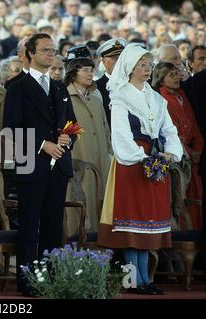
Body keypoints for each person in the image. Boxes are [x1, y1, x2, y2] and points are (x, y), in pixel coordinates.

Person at [97, 44, 183, 295]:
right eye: (141, 65)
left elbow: (169, 130)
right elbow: (121, 135)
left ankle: (145, 278)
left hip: (155, 163)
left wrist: (170, 153)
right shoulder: (120, 96)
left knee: (148, 224)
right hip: (131, 165)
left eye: (149, 65)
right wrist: (142, 158)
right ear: (130, 67)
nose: (147, 70)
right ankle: (131, 281)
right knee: (131, 226)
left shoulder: (156, 97)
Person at [3, 33, 77, 296]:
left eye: (53, 50)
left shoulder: (59, 86)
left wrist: (68, 139)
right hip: (31, 164)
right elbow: (10, 128)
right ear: (30, 53)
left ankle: (50, 279)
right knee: (30, 226)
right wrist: (42, 144)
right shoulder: (17, 86)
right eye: (45, 50)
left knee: (52, 226)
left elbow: (72, 124)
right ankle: (27, 282)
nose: (51, 54)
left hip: (59, 166)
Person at [64, 57, 112, 236]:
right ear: (72, 73)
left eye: (92, 69)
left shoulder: (96, 100)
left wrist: (108, 154)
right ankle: (75, 253)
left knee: (102, 208)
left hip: (101, 162)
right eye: (84, 69)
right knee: (80, 210)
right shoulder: (64, 98)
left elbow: (106, 131)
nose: (90, 73)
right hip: (79, 164)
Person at [153, 62, 203, 229]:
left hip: (192, 156)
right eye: (171, 75)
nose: (176, 77)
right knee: (178, 197)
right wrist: (188, 151)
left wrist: (198, 149)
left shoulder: (183, 96)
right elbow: (169, 131)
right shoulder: (161, 98)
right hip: (177, 156)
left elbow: (194, 125)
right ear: (161, 79)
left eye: (177, 73)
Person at [95, 38, 127, 126]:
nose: (120, 63)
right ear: (104, 61)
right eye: (115, 59)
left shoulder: (132, 83)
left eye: (122, 58)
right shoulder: (96, 87)